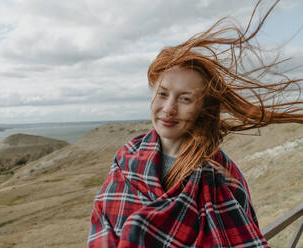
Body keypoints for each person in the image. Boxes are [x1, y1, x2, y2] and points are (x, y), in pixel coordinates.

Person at [88, 0, 303, 247]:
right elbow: (102, 223)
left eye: (186, 98)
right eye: (163, 94)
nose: (169, 109)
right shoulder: (125, 159)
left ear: (202, 107)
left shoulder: (218, 172)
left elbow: (241, 233)